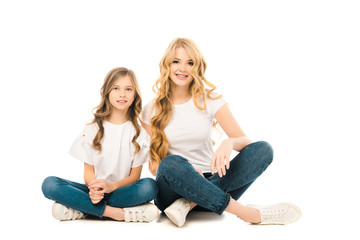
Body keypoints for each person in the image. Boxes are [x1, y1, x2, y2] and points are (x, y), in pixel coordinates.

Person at [141, 38, 301, 227]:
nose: (182, 68)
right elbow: (154, 167)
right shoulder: (151, 108)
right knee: (170, 163)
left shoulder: (210, 99)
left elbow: (247, 144)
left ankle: (189, 204)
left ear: (197, 67)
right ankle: (249, 214)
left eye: (190, 63)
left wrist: (230, 143)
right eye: (176, 61)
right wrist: (189, 174)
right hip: (173, 192)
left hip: (213, 181)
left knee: (264, 149)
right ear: (167, 65)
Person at [42, 67, 159, 222]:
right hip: (94, 191)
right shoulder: (92, 129)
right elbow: (88, 172)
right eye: (116, 88)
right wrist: (95, 188)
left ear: (134, 96)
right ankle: (117, 213)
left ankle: (82, 209)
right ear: (107, 93)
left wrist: (111, 186)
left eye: (128, 89)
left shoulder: (140, 134)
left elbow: (134, 177)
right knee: (49, 184)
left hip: (121, 191)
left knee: (149, 186)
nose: (122, 94)